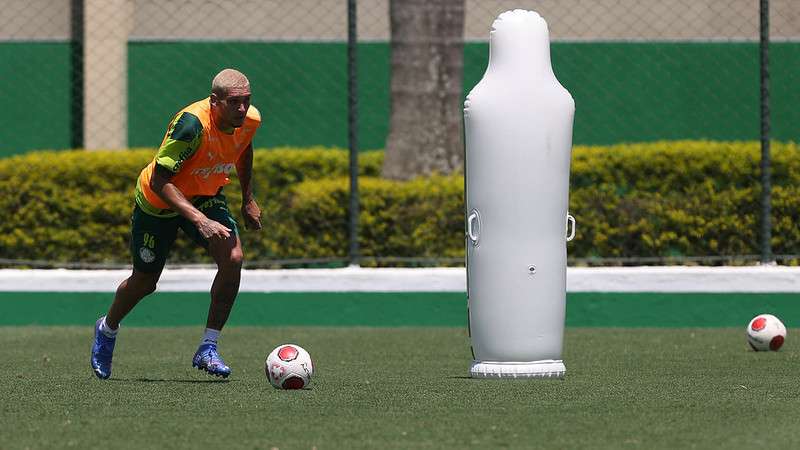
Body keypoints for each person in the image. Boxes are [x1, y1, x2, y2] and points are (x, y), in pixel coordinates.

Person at [91, 68, 262, 379]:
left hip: (204, 194)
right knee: (145, 282)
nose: (242, 109)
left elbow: (242, 149)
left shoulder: (248, 120)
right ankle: (107, 328)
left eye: (246, 101)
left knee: (233, 258)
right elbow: (160, 181)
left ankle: (208, 347)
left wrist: (247, 198)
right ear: (215, 101)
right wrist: (198, 220)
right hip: (159, 202)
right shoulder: (191, 125)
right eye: (234, 102)